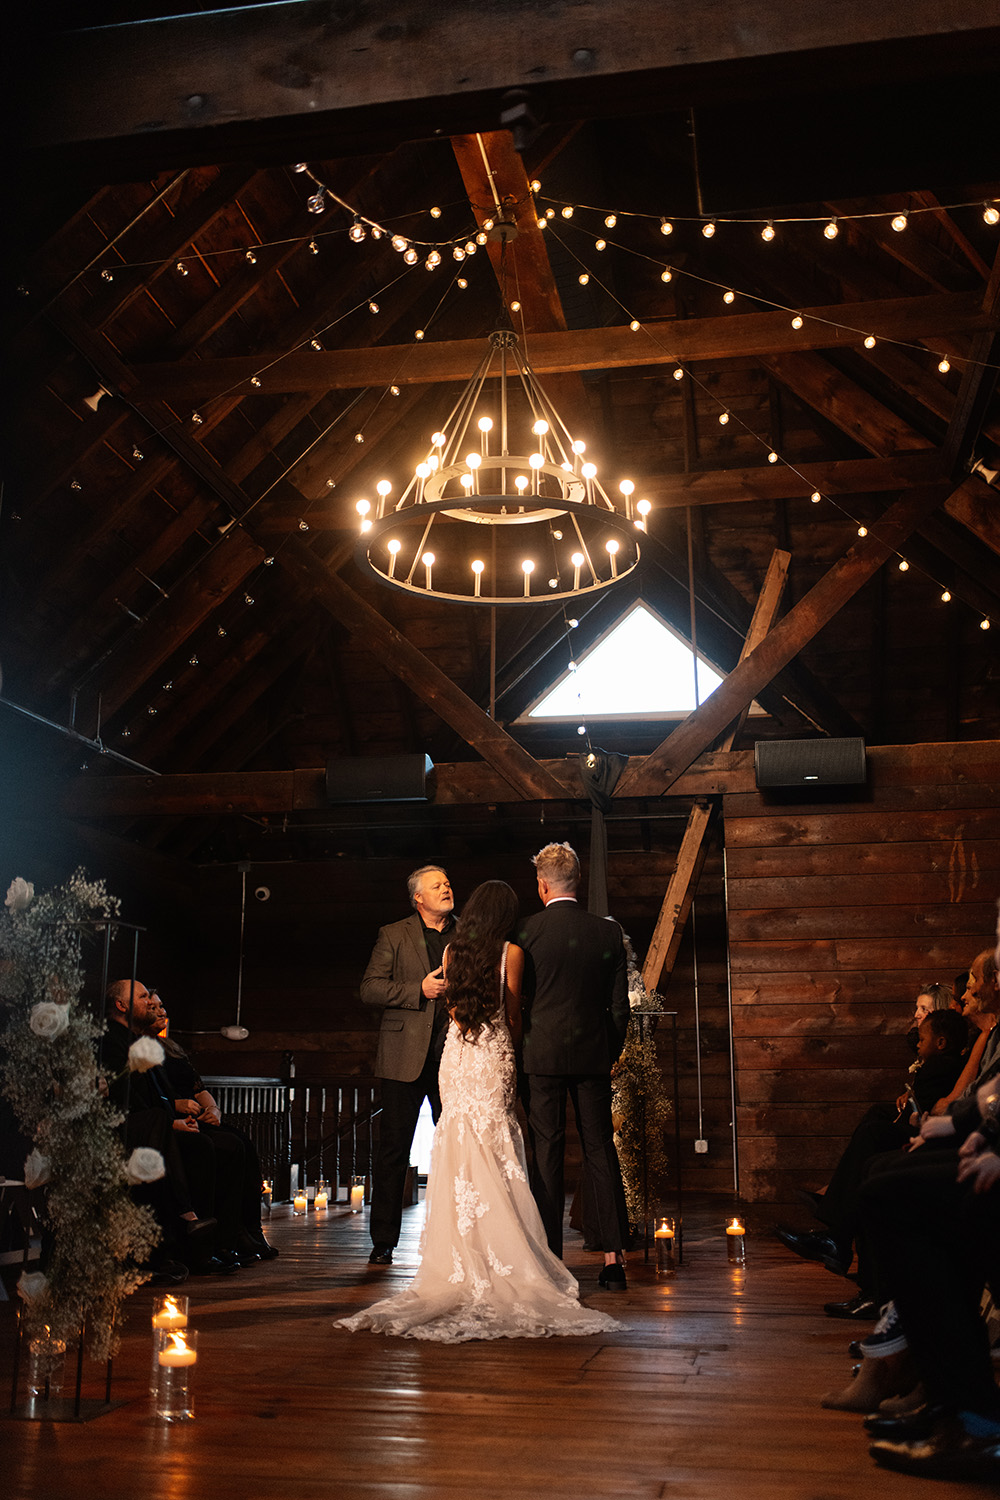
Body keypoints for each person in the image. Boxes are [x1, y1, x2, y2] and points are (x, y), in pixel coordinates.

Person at [337, 881, 620, 1342]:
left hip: (457, 1055)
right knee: (497, 1141)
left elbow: (453, 1010)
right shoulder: (510, 952)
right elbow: (511, 1015)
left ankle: (461, 1254)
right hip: (491, 1054)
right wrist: (511, 1045)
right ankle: (503, 1251)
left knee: (460, 1142)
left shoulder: (451, 953)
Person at [518, 842, 630, 1289]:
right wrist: (610, 1049)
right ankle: (612, 1260)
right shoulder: (606, 933)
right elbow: (619, 1008)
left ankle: (549, 1260)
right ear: (577, 881)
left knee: (545, 1152)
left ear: (542, 885)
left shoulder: (525, 930)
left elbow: (516, 1000)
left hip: (539, 1055)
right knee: (600, 1149)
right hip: (591, 1055)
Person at [361, 865, 456, 1265]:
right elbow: (370, 988)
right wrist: (418, 989)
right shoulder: (393, 933)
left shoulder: (466, 933)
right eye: (437, 886)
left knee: (456, 1148)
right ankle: (383, 1240)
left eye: (448, 883)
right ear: (418, 898)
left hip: (453, 1055)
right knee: (393, 1150)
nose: (446, 889)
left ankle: (455, 1237)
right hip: (403, 1057)